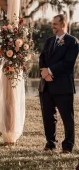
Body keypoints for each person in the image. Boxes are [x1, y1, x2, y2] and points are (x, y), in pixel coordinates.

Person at [39, 14, 79, 154]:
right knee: (48, 117)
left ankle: (67, 146)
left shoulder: (72, 42)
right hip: (46, 85)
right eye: (52, 24)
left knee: (67, 118)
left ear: (63, 25)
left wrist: (50, 71)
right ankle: (50, 143)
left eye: (55, 24)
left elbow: (68, 63)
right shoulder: (49, 41)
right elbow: (42, 57)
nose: (52, 27)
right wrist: (44, 72)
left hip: (63, 86)